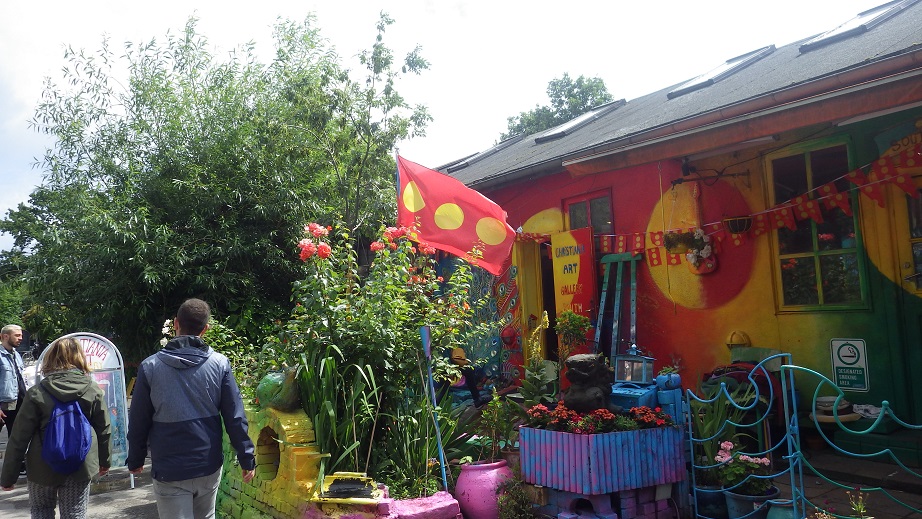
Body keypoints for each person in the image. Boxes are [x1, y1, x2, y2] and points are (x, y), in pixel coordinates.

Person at [127, 298, 255, 519]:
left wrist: (135, 458)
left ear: (176, 323)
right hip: (207, 465)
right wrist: (247, 457)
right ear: (205, 329)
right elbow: (234, 416)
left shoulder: (150, 367)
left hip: (169, 469)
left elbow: (139, 420)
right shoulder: (219, 364)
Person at [0, 337, 111, 519]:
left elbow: (19, 437)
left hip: (41, 466)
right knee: (75, 513)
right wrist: (105, 461)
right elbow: (104, 429)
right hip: (80, 464)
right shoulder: (92, 389)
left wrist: (8, 477)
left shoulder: (37, 392)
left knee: (41, 511)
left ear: (50, 358)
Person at [1, 324, 27, 475]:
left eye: (21, 335)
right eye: (17, 335)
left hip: (18, 401)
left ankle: (18, 466)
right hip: (3, 403)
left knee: (17, 435)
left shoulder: (16, 354)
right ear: (5, 336)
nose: (20, 338)